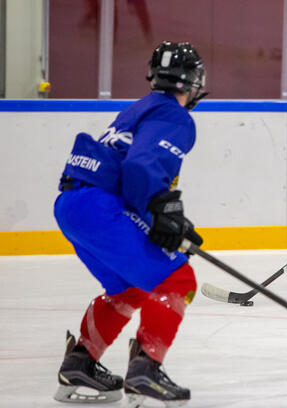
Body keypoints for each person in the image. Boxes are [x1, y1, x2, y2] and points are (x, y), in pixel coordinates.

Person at [52, 41, 207, 407]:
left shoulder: (139, 107)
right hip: (102, 205)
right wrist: (162, 217)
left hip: (74, 204)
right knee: (178, 279)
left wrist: (168, 221)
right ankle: (146, 372)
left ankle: (81, 364)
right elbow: (141, 168)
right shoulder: (176, 116)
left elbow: (131, 170)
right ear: (193, 81)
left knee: (131, 288)